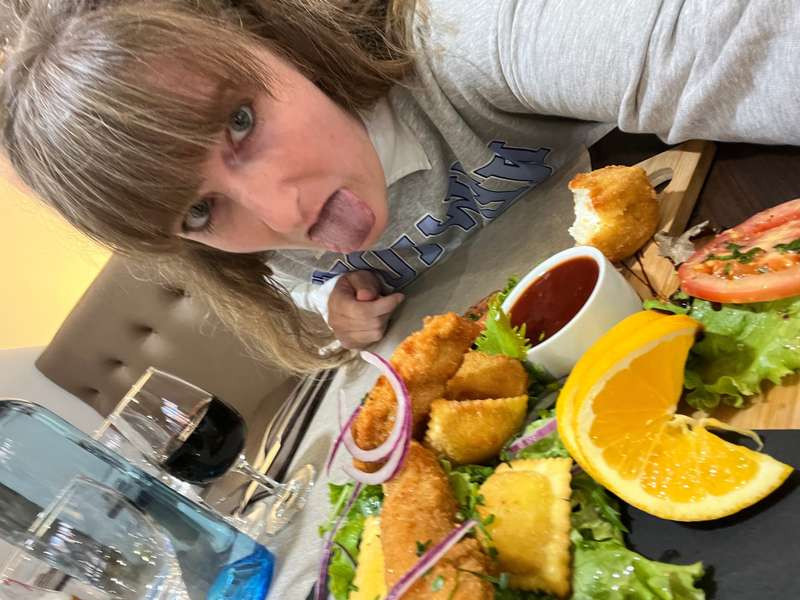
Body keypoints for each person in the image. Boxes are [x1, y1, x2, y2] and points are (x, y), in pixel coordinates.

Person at [2, 0, 799, 373]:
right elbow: (290, 276)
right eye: (200, 210)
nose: (284, 213)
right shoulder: (257, 247)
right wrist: (329, 304)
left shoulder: (462, 39)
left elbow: (735, 48)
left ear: (263, 35)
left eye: (240, 121)